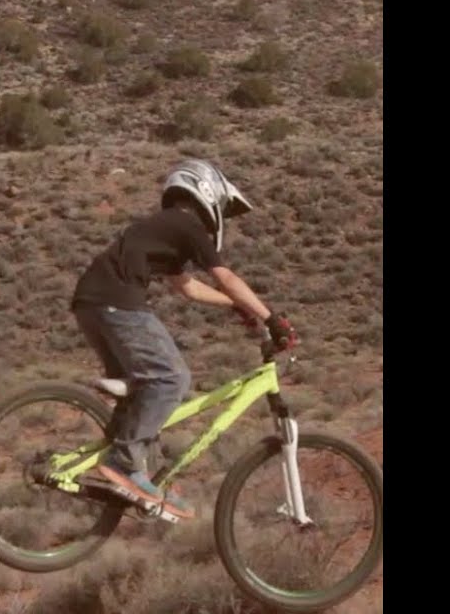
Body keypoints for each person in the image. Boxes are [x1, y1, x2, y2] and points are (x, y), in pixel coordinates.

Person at [71, 158, 297, 519]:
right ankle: (124, 462)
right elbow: (226, 277)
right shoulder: (188, 225)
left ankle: (140, 474)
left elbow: (187, 287)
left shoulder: (168, 227)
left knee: (143, 389)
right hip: (117, 302)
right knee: (171, 377)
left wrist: (237, 307)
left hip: (92, 304)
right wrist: (270, 318)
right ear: (206, 192)